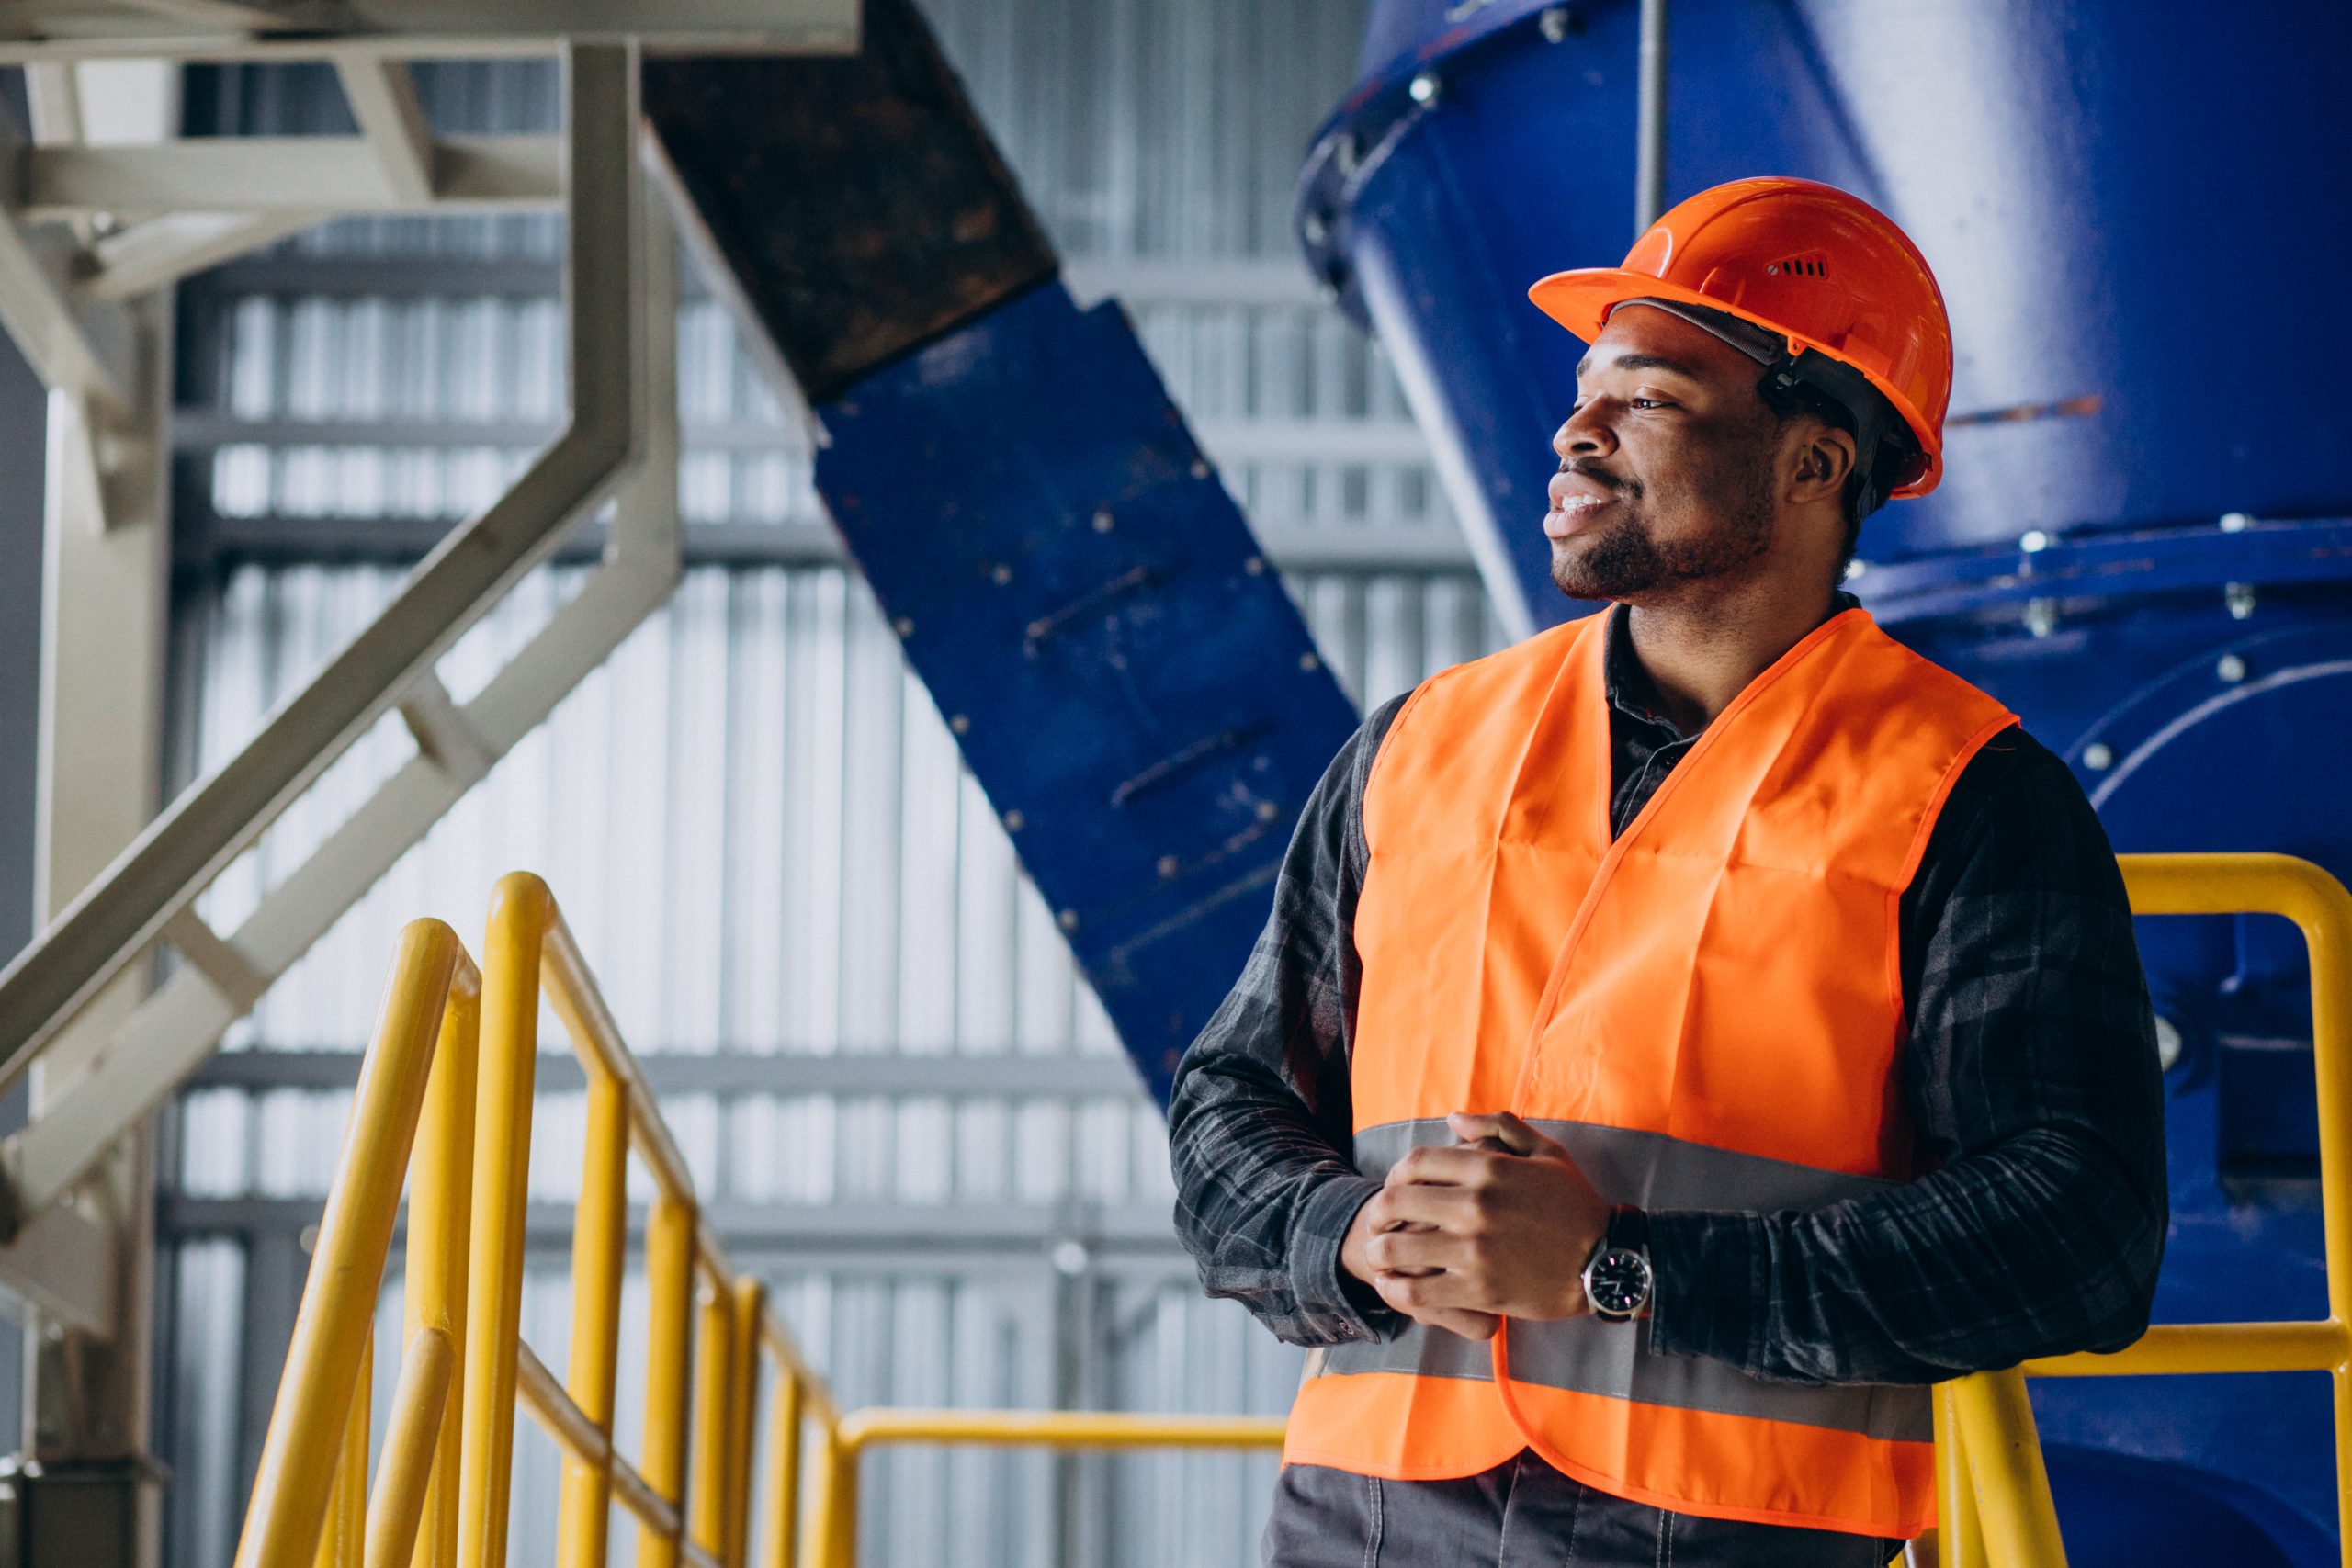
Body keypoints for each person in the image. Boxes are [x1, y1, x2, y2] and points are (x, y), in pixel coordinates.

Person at [1167, 177, 2167, 1567]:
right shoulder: (1420, 746)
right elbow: (1229, 1104)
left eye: (1649, 398)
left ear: (1815, 463)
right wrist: (1347, 1234)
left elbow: (2080, 1231)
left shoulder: (1967, 795)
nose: (1575, 430)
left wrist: (1616, 1269)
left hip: (1729, 1538)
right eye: (1586, 390)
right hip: (1368, 1522)